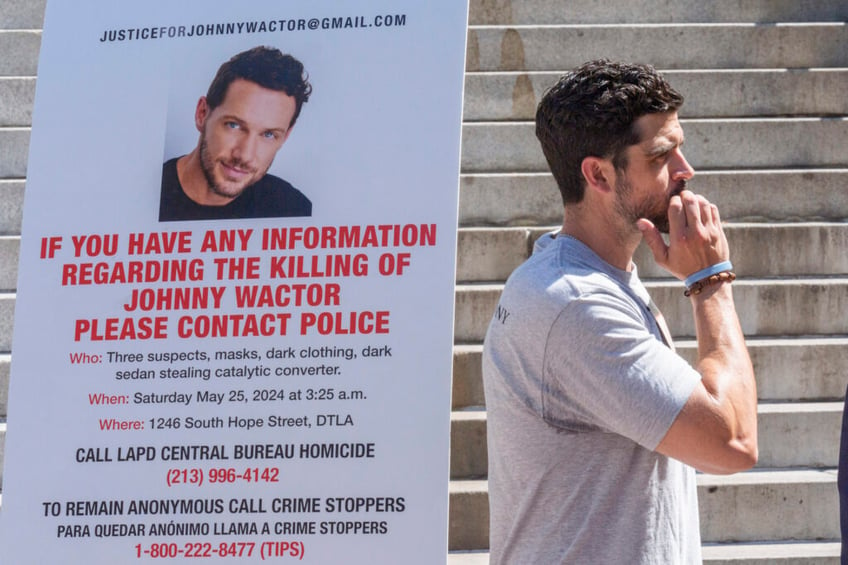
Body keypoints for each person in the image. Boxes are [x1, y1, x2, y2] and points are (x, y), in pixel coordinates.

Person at [482, 60, 758, 564]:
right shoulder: (577, 304)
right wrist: (711, 280)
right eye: (661, 155)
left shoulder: (582, 277)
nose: (685, 170)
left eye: (680, 146)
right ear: (598, 174)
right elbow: (732, 439)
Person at [160, 46, 312, 221]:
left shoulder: (295, 211)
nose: (245, 156)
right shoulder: (144, 193)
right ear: (202, 114)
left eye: (269, 134)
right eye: (234, 125)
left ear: (285, 137)